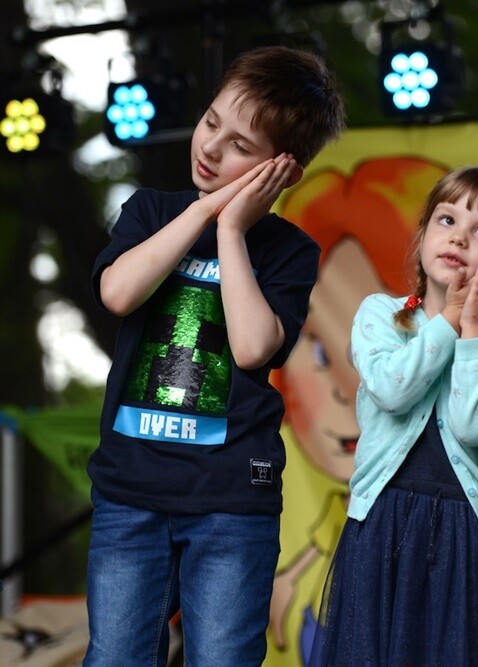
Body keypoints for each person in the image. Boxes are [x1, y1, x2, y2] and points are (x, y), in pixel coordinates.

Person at [84, 45, 345, 666]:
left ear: (282, 171)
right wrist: (205, 209)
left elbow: (254, 346)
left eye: (240, 147)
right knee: (115, 655)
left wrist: (230, 231)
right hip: (130, 489)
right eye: (210, 123)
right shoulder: (149, 211)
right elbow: (119, 292)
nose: (210, 148)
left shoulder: (288, 252)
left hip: (231, 498)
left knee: (223, 657)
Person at [307, 166, 478, 666]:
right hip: (385, 525)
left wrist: (475, 329)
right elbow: (392, 390)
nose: (459, 236)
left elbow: (474, 426)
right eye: (446, 219)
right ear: (423, 237)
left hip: (472, 534)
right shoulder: (380, 314)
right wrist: (450, 321)